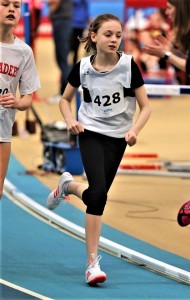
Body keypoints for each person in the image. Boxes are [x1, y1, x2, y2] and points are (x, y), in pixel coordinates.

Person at [46, 13, 151, 285]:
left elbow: (146, 106)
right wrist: (71, 121)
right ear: (94, 37)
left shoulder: (129, 66)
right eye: (108, 34)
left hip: (118, 138)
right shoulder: (82, 67)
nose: (114, 39)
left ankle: (68, 186)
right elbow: (65, 100)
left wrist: (134, 130)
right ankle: (92, 264)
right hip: (90, 132)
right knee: (99, 196)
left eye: (118, 35)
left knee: (95, 194)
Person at [0, 0, 40, 200]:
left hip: (2, 133)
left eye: (16, 6)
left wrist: (16, 102)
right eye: (5, 4)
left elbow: (27, 99)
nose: (11, 9)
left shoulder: (24, 52)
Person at [143, 0, 190, 85]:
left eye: (169, 8)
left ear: (180, 9)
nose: (166, 12)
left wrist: (165, 54)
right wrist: (172, 51)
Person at [47, 0, 72, 102]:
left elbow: (54, 1)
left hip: (61, 21)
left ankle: (65, 93)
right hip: (64, 21)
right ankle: (66, 91)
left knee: (62, 59)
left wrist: (51, 11)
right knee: (63, 59)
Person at [70, 0, 89, 66]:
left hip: (77, 24)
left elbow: (86, 9)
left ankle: (73, 65)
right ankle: (72, 64)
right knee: (75, 47)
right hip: (76, 24)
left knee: (75, 47)